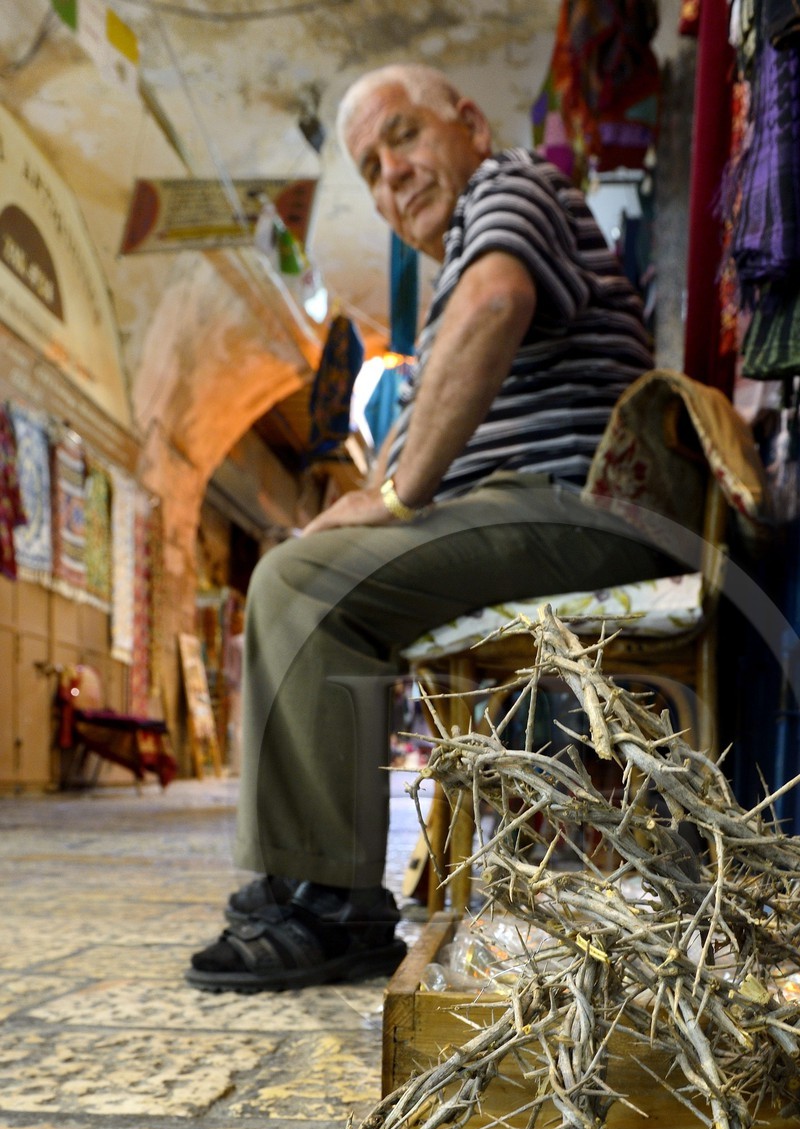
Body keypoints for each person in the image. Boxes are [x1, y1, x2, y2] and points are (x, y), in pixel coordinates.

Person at [186, 62, 684, 992]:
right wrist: (369, 498)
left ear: (470, 126)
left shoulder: (512, 186)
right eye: (371, 167)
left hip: (572, 503)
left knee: (299, 583)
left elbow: (499, 305)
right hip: (525, 511)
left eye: (405, 136)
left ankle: (326, 902)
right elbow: (421, 420)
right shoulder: (461, 260)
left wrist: (397, 498)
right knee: (308, 564)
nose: (392, 175)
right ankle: (307, 879)